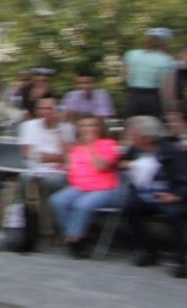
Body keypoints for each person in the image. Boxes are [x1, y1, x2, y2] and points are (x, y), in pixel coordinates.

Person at [120, 115, 187, 276]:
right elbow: (121, 162)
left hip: (170, 196)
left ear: (146, 137)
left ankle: (181, 261)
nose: (129, 137)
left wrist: (176, 196)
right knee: (129, 208)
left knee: (174, 214)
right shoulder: (135, 150)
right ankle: (146, 251)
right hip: (147, 195)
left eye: (132, 134)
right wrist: (126, 164)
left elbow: (183, 179)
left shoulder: (171, 151)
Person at [49, 116, 123, 259]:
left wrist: (91, 147)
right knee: (57, 200)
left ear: (99, 128)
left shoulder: (109, 144)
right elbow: (73, 168)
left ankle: (75, 241)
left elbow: (101, 166)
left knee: (82, 204)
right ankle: (72, 235)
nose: (89, 129)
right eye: (84, 126)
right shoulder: (77, 148)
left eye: (92, 125)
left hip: (106, 188)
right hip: (81, 186)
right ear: (79, 129)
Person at [19, 96, 74, 193]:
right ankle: (22, 205)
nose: (45, 112)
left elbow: (70, 156)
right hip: (35, 168)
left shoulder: (67, 128)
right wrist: (56, 157)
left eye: (49, 108)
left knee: (52, 181)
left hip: (58, 170)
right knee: (25, 178)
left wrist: (57, 128)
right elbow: (26, 154)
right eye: (41, 108)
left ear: (57, 110)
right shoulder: (29, 125)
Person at [123, 28, 178, 118]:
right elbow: (167, 88)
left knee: (133, 125)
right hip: (153, 98)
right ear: (165, 42)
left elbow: (127, 78)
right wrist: (170, 106)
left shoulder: (131, 54)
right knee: (153, 127)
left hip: (133, 96)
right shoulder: (167, 60)